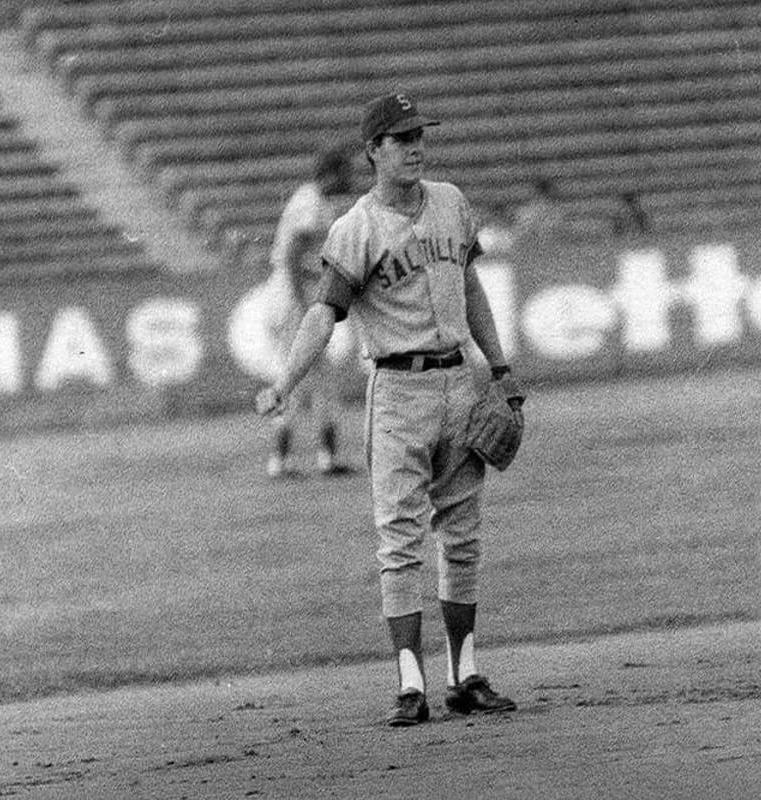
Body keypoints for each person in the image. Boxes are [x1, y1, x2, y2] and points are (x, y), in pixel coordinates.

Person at [256, 92, 523, 727]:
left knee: (461, 538)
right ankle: (411, 683)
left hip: (461, 384)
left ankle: (466, 674)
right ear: (373, 151)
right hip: (397, 392)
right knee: (400, 539)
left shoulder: (452, 202)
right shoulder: (355, 228)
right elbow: (324, 312)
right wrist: (286, 382)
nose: (415, 146)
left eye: (419, 136)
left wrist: (501, 368)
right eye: (401, 139)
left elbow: (473, 285)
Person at [264, 147, 356, 478]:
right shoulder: (311, 203)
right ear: (329, 175)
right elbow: (290, 257)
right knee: (299, 378)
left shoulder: (316, 201)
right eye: (345, 171)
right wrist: (304, 307)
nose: (350, 178)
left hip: (297, 295)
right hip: (292, 299)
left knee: (318, 380)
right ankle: (284, 459)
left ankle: (320, 456)